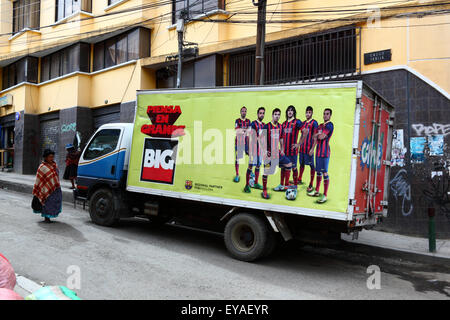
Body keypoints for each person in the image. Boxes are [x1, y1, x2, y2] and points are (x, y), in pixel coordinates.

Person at [261, 108, 292, 199]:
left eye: (278, 114)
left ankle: (285, 184)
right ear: (272, 115)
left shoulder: (281, 126)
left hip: (277, 153)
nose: (277, 116)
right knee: (266, 171)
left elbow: (281, 138)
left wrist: (282, 149)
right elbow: (261, 139)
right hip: (269, 154)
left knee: (288, 164)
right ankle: (264, 190)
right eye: (275, 114)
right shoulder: (267, 126)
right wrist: (265, 150)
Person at [276, 105, 306, 191]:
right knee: (283, 167)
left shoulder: (297, 122)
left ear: (294, 112)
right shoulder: (284, 124)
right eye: (288, 110)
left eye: (291, 110)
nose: (290, 112)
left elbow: (305, 131)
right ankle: (282, 185)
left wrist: (299, 144)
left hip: (292, 151)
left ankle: (295, 186)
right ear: (286, 112)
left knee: (294, 167)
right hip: (284, 151)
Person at [307, 108, 334, 203]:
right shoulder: (320, 125)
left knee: (324, 173)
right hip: (318, 152)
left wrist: (318, 135)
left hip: (325, 152)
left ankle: (325, 195)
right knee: (318, 172)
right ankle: (317, 191)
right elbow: (314, 137)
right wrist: (312, 148)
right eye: (324, 114)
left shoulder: (330, 125)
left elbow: (321, 137)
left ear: (330, 115)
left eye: (327, 114)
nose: (325, 115)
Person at [32, 149, 62, 223]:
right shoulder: (42, 167)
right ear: (45, 157)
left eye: (52, 157)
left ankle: (50, 215)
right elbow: (39, 179)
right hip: (45, 188)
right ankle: (46, 217)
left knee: (53, 203)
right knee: (46, 203)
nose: (52, 158)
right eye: (50, 157)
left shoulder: (54, 165)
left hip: (55, 187)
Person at [296, 106, 319, 193]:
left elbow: (315, 136)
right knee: (301, 164)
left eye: (309, 112)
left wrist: (313, 148)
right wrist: (299, 144)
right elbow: (301, 135)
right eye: (306, 112)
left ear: (312, 113)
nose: (307, 114)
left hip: (309, 149)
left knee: (311, 166)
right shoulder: (303, 123)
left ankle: (311, 183)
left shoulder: (314, 123)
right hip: (302, 149)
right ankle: (299, 179)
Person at [244, 107, 265, 193]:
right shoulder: (253, 124)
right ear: (257, 114)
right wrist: (247, 148)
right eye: (260, 113)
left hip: (260, 150)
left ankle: (256, 183)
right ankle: (246, 185)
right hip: (253, 149)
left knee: (258, 166)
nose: (262, 114)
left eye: (263, 113)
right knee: (250, 166)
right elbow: (247, 135)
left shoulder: (264, 125)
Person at [234, 106, 251, 183]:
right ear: (240, 112)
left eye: (245, 111)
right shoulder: (237, 120)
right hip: (239, 142)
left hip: (246, 142)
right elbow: (237, 130)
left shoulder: (248, 121)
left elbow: (250, 131)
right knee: (238, 159)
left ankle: (251, 172)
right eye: (242, 111)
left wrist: (243, 130)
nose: (244, 112)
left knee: (251, 156)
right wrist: (245, 130)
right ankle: (237, 174)